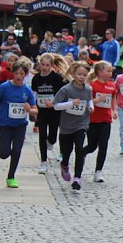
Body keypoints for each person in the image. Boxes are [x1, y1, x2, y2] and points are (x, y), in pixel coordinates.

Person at [0, 59, 37, 188]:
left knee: (16, 151)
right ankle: (3, 150)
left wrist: (29, 110)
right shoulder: (4, 87)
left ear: (25, 75)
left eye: (22, 74)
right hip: (5, 124)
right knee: (3, 154)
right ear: (12, 73)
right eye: (16, 73)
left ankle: (11, 176)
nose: (19, 76)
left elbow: (35, 109)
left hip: (20, 125)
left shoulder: (27, 90)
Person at [53, 61, 93, 191]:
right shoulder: (66, 89)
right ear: (73, 74)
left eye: (84, 75)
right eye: (79, 74)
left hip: (81, 124)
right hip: (66, 126)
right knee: (67, 150)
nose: (82, 77)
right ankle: (64, 164)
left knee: (80, 149)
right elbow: (56, 105)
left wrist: (90, 107)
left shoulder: (88, 89)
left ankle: (77, 178)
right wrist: (70, 104)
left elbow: (89, 99)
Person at [83, 61, 118, 183]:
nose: (110, 73)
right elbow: (87, 101)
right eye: (108, 71)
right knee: (92, 146)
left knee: (103, 145)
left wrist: (114, 110)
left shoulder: (112, 85)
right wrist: (97, 100)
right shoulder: (92, 86)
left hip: (105, 120)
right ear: (99, 72)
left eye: (111, 71)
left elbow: (114, 98)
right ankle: (82, 153)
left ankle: (98, 171)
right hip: (93, 120)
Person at [31, 54, 65, 173]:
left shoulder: (56, 77)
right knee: (42, 135)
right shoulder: (36, 78)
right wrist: (33, 108)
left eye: (47, 65)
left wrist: (55, 101)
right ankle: (43, 162)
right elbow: (34, 94)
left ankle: (50, 142)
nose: (44, 67)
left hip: (54, 111)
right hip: (41, 111)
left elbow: (62, 93)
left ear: (51, 66)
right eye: (43, 64)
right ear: (39, 64)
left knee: (53, 137)